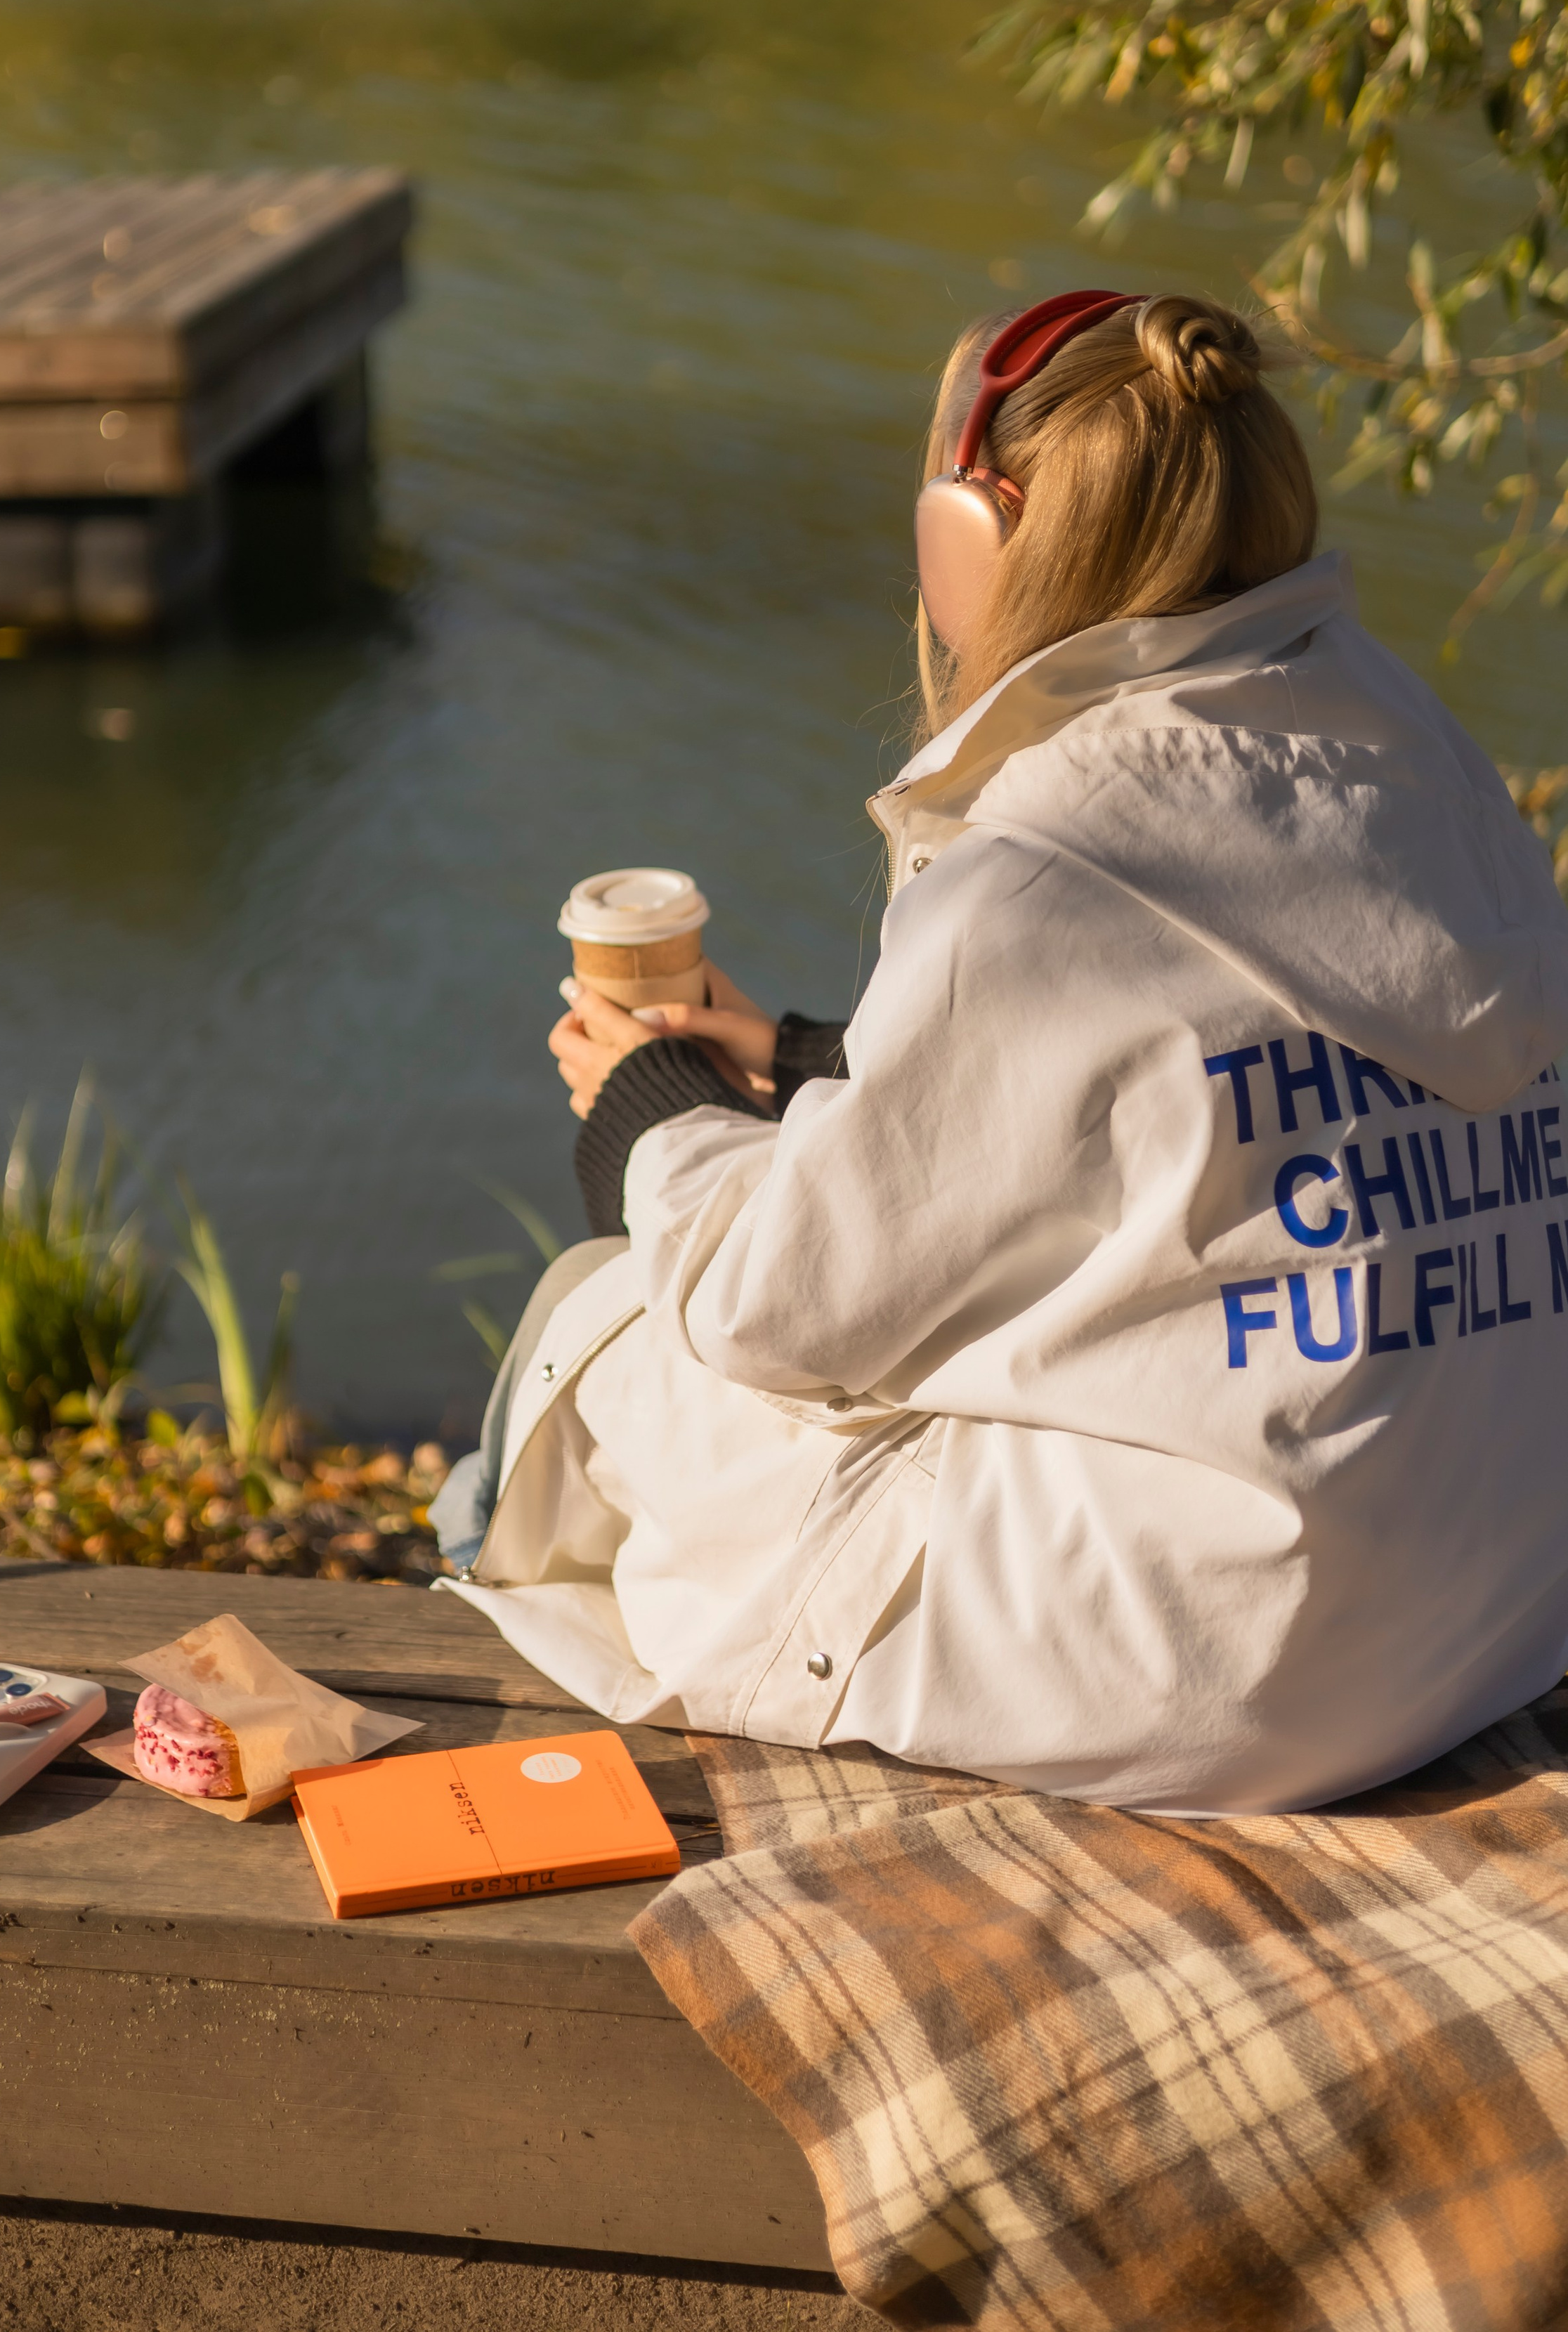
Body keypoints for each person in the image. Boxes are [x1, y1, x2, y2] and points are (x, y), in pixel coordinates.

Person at [433, 290, 1568, 1816]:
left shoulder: (1046, 860)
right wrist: (811, 1057)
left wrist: (649, 1117)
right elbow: (1242, 1093)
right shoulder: (1426, 759)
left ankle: (449, 1565)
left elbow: (779, 1308)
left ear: (983, 527)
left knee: (627, 1325)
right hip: (1483, 1608)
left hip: (1240, 1667)